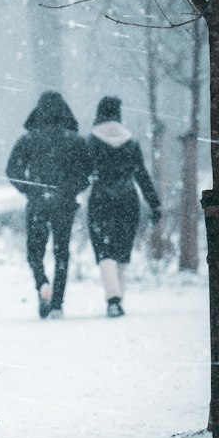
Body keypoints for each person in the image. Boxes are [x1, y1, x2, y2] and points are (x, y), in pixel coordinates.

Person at [6, 90, 90, 319]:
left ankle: (42, 284)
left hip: (37, 204)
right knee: (61, 252)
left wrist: (31, 190)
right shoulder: (75, 140)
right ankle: (57, 304)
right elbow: (87, 172)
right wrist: (70, 190)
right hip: (64, 204)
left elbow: (12, 170)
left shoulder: (28, 139)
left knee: (35, 251)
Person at [85, 95, 161, 317]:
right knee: (121, 250)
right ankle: (118, 299)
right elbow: (142, 176)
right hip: (128, 199)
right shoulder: (131, 142)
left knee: (104, 250)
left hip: (100, 199)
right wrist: (154, 204)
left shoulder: (91, 141)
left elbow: (83, 172)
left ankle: (113, 299)